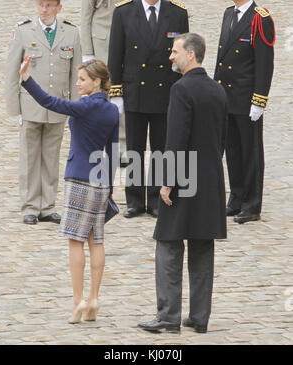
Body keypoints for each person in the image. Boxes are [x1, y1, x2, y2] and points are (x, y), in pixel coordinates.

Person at [138, 33, 227, 334]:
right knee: (202, 247)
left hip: (184, 179)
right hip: (211, 179)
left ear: (191, 54)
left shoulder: (181, 89)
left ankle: (167, 316)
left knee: (168, 245)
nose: (170, 57)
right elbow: (221, 140)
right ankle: (199, 317)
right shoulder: (217, 89)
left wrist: (166, 182)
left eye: (175, 52)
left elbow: (174, 140)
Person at [19, 57, 119, 324]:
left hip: (79, 179)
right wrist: (109, 185)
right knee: (96, 239)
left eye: (83, 79)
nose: (78, 83)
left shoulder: (83, 107)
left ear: (97, 81)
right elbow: (113, 151)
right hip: (100, 182)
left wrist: (27, 79)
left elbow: (50, 102)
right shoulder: (111, 111)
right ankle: (95, 298)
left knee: (75, 240)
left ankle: (78, 301)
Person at [108, 0, 189, 218]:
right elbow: (115, 54)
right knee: (134, 148)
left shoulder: (177, 13)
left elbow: (183, 55)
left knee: (160, 149)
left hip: (166, 90)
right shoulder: (123, 12)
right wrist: (116, 92)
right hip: (135, 90)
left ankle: (155, 199)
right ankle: (134, 200)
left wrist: (183, 89)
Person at [5, 0, 82, 225]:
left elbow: (76, 74)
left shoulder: (71, 32)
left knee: (51, 158)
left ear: (59, 7)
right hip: (30, 106)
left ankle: (47, 206)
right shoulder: (23, 31)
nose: (44, 10)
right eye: (41, 5)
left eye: (49, 5)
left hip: (58, 105)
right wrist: (14, 108)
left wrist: (76, 108)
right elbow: (11, 73)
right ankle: (30, 206)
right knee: (29, 158)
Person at [214, 1, 275, 224]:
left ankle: (251, 204)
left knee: (251, 152)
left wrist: (259, 99)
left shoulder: (260, 18)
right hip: (227, 96)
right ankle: (236, 197)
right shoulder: (229, 14)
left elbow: (264, 62)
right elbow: (222, 58)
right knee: (233, 151)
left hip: (246, 97)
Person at [80, 0, 127, 166]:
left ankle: (122, 147)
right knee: (102, 93)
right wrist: (87, 52)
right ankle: (97, 143)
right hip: (103, 43)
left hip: (129, 39)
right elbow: (85, 17)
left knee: (124, 93)